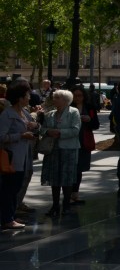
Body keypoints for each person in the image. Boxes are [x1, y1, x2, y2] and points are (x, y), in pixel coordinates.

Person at [1, 82, 39, 229]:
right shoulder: (7, 115)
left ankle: (10, 215)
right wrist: (21, 135)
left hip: (24, 157)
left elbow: (35, 126)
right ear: (19, 98)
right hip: (12, 158)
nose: (29, 98)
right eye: (27, 95)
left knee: (16, 187)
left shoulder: (25, 112)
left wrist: (35, 127)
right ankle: (7, 219)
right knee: (9, 189)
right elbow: (1, 136)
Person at [39, 89, 81, 217]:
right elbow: (43, 129)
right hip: (52, 149)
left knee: (67, 178)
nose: (54, 100)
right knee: (54, 178)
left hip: (68, 149)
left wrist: (59, 133)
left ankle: (66, 205)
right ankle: (55, 205)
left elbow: (75, 130)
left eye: (57, 97)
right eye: (54, 97)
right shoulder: (50, 114)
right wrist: (47, 132)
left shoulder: (74, 112)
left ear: (65, 100)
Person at [71, 85, 99, 205]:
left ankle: (75, 193)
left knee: (79, 168)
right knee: (71, 167)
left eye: (80, 95)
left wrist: (89, 120)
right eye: (75, 96)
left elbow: (96, 124)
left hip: (84, 139)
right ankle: (69, 193)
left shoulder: (90, 107)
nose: (78, 98)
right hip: (71, 140)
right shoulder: (68, 107)